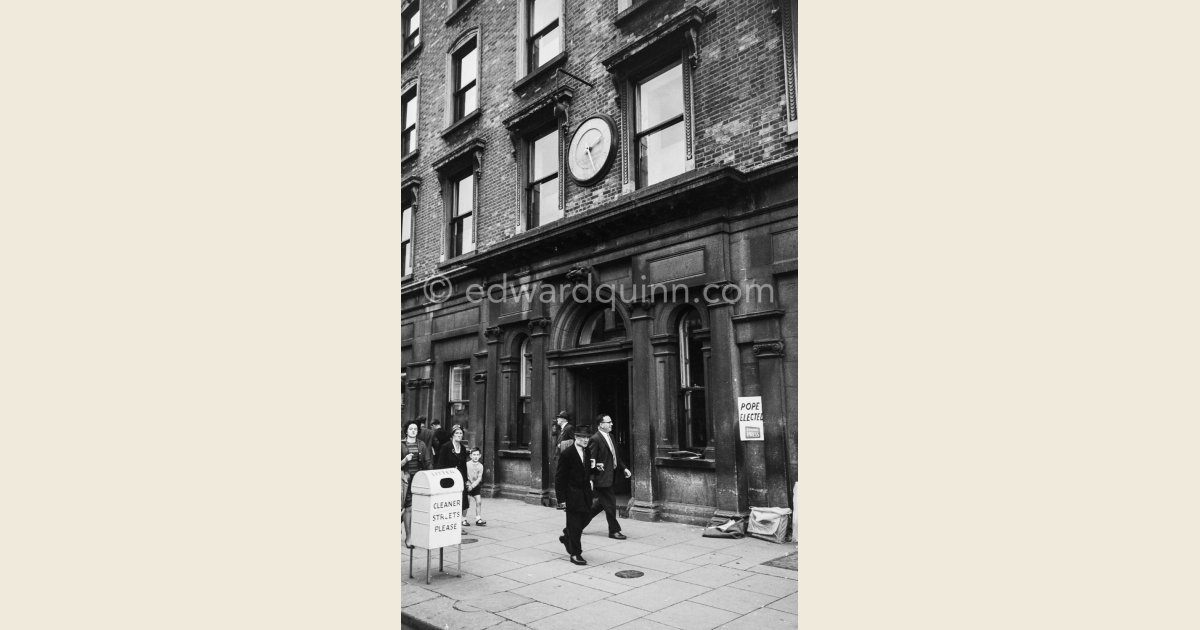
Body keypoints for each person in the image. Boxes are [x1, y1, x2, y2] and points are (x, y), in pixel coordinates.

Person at [584, 413, 631, 540]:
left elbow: (616, 457)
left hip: (610, 476)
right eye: (608, 422)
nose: (611, 424)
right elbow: (591, 461)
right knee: (610, 504)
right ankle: (614, 531)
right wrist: (591, 479)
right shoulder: (595, 439)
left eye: (611, 422)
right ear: (601, 425)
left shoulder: (611, 437)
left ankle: (578, 524)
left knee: (600, 504)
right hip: (601, 478)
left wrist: (624, 468)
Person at [554, 425, 594, 565]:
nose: (586, 440)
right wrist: (561, 500)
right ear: (576, 437)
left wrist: (596, 470)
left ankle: (567, 535)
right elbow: (559, 478)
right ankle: (575, 554)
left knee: (585, 518)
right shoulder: (567, 454)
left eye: (588, 437)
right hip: (572, 495)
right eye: (583, 437)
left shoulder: (587, 451)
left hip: (585, 493)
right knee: (576, 525)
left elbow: (585, 471)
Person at [435, 425, 471, 527]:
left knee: (460, 502)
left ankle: (458, 525)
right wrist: (440, 480)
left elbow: (464, 466)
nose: (459, 435)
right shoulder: (446, 447)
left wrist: (466, 480)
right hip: (448, 479)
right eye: (457, 433)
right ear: (452, 435)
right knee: (449, 502)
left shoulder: (463, 448)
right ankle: (447, 524)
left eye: (461, 433)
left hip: (459, 478)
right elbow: (440, 464)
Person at [401, 420, 429, 548]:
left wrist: (430, 476)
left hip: (418, 479)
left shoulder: (421, 444)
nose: (413, 431)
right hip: (404, 480)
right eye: (411, 429)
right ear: (406, 431)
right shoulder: (400, 444)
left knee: (413, 508)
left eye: (415, 429)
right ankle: (408, 536)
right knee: (407, 507)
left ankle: (410, 535)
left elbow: (428, 461)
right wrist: (405, 460)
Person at [465, 447, 485, 525]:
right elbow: (465, 476)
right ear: (470, 456)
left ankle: (478, 519)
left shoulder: (480, 466)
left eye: (477, 455)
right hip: (467, 486)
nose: (475, 456)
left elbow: (479, 478)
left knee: (479, 501)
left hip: (475, 486)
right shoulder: (467, 464)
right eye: (474, 455)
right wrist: (468, 485)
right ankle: (463, 519)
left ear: (480, 456)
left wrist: (473, 486)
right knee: (467, 503)